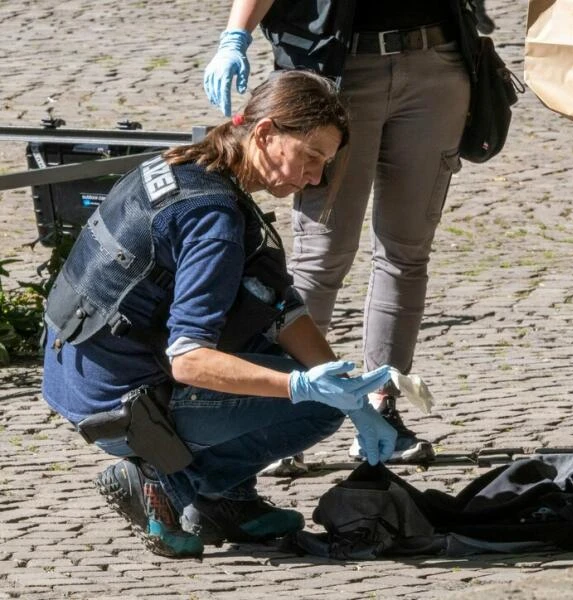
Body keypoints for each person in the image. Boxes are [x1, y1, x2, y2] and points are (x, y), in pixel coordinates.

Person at [41, 70, 398, 559]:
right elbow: (189, 359)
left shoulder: (191, 165)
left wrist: (355, 398)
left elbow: (279, 305)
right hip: (116, 400)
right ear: (266, 133)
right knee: (314, 406)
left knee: (280, 352)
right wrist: (305, 387)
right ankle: (171, 484)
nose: (315, 177)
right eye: (311, 156)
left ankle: (226, 499)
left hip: (75, 363)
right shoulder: (214, 218)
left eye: (324, 164)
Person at [204, 0, 477, 466]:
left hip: (436, 60)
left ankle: (382, 402)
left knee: (407, 252)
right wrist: (236, 36)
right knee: (323, 254)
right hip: (340, 70)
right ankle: (280, 410)